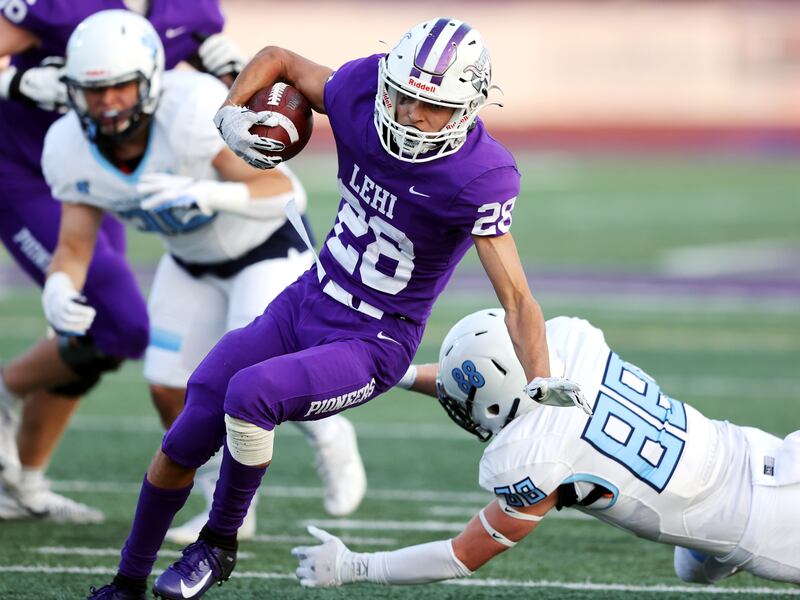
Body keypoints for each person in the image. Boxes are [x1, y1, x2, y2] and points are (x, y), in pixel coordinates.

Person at [87, 16, 588, 600]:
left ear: (470, 107)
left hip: (374, 339)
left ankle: (219, 543)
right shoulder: (361, 91)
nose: (410, 117)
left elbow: (517, 298)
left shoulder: (479, 176)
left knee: (252, 395)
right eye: (402, 97)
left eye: (434, 108)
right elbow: (277, 57)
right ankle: (126, 581)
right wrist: (231, 111)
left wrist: (543, 380)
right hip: (309, 296)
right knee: (194, 417)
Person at [23, 9, 367, 548]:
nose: (108, 103)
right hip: (189, 261)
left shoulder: (190, 112)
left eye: (119, 88)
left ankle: (327, 430)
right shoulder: (67, 144)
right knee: (167, 383)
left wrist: (209, 192)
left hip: (265, 248)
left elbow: (285, 194)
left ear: (150, 82)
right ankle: (217, 499)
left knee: (251, 378)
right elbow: (73, 244)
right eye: (94, 92)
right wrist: (59, 287)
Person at [292, 308, 800, 589]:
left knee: (699, 555)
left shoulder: (542, 463)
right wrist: (395, 374)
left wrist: (353, 566)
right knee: (693, 566)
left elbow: (460, 557)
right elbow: (491, 386)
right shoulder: (567, 350)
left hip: (768, 523)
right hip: (758, 451)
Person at [0, 0, 246, 522]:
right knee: (123, 324)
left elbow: (193, 85)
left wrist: (236, 72)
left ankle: (24, 484)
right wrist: (13, 86)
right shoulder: (54, 6)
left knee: (95, 337)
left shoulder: (193, 9)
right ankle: (4, 391)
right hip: (25, 169)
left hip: (101, 171)